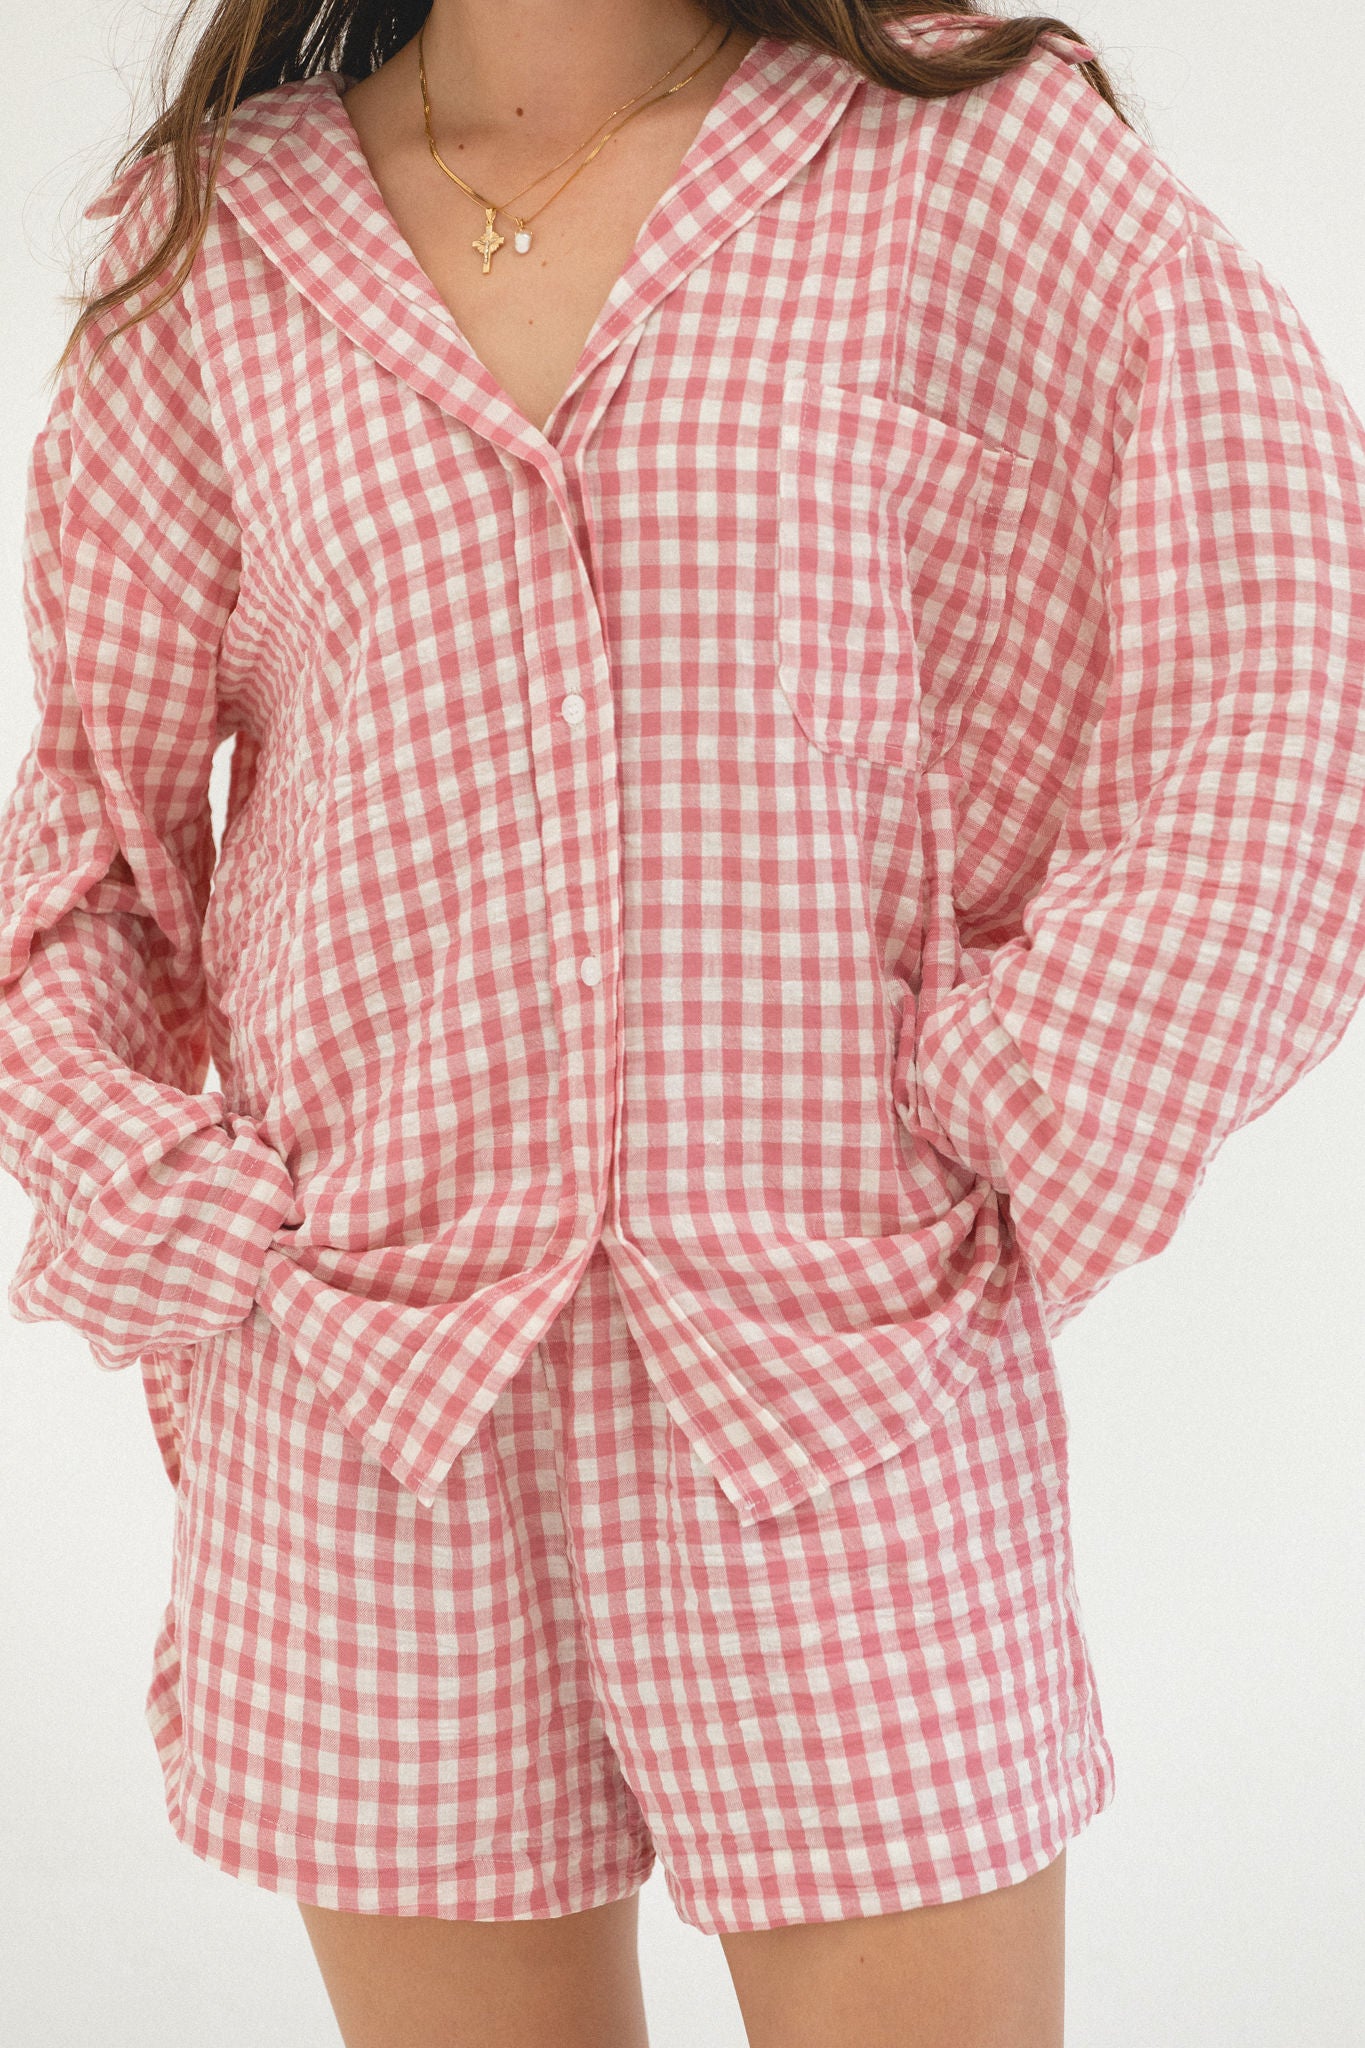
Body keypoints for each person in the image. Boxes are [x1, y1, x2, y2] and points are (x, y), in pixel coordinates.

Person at [3, 2, 1364, 2043]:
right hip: (366, 1397)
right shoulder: (219, 237)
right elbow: (96, 840)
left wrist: (1019, 1086)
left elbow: (1293, 657)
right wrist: (158, 1189)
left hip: (835, 1378)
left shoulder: (966, 153)